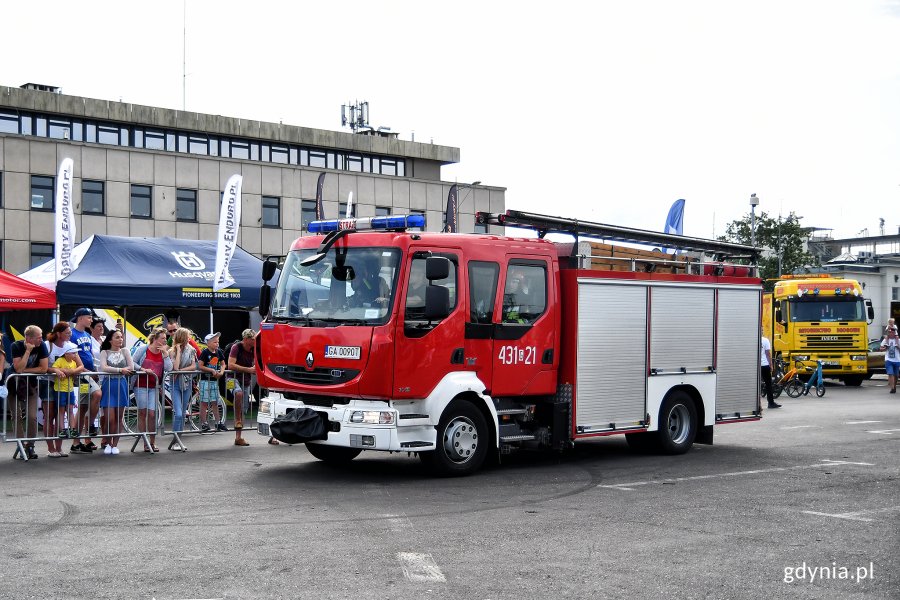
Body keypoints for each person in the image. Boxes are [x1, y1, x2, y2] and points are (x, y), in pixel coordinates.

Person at [9, 325, 49, 460]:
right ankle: (21, 445)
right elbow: (18, 368)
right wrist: (27, 352)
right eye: (39, 337)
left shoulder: (42, 345)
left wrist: (24, 371)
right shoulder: (16, 346)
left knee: (32, 416)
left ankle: (30, 446)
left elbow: (44, 368)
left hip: (30, 384)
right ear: (29, 338)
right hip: (14, 384)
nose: (41, 339)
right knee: (17, 416)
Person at [45, 322, 84, 456]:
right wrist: (57, 370)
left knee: (63, 412)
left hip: (66, 385)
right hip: (49, 384)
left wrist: (70, 372)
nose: (69, 335)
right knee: (51, 415)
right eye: (67, 333)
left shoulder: (71, 346)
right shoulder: (47, 345)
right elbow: (45, 367)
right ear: (58, 333)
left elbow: (80, 366)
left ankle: (59, 447)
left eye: (70, 333)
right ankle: (51, 448)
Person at [132, 327, 172, 452]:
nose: (165, 340)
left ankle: (152, 442)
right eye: (163, 338)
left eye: (166, 338)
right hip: (140, 385)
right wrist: (143, 370)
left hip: (154, 387)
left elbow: (169, 368)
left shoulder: (164, 352)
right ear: (155, 338)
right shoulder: (143, 349)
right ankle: (145, 443)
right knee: (143, 413)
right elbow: (132, 363)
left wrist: (165, 355)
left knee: (152, 414)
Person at [70, 308, 103, 453]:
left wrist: (95, 371)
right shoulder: (71, 334)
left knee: (83, 407)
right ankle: (90, 426)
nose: (91, 320)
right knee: (97, 394)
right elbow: (70, 354)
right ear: (80, 318)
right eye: (89, 317)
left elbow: (89, 354)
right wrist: (81, 370)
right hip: (82, 374)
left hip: (89, 373)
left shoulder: (87, 335)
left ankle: (77, 442)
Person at [98, 329, 134, 454]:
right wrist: (120, 370)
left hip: (121, 385)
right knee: (109, 418)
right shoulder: (105, 352)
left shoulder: (125, 351)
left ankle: (115, 445)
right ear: (110, 339)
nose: (120, 339)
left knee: (119, 418)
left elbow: (131, 367)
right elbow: (104, 367)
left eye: (121, 337)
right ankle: (107, 442)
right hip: (108, 385)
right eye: (117, 337)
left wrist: (122, 370)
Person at [168, 327, 198, 450]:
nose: (189, 339)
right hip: (175, 384)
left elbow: (193, 366)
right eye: (187, 337)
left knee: (182, 413)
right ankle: (176, 441)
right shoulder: (172, 351)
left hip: (187, 383)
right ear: (181, 338)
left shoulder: (191, 350)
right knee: (179, 413)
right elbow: (174, 367)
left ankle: (177, 441)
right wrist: (179, 351)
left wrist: (181, 371)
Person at [48, 342, 80, 457]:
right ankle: (62, 429)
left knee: (70, 410)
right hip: (60, 389)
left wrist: (72, 372)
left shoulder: (73, 363)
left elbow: (76, 372)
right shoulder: (60, 361)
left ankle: (72, 429)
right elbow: (54, 368)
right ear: (66, 354)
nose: (75, 355)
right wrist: (60, 371)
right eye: (73, 353)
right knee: (61, 410)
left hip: (70, 389)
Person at [227, 328, 256, 446]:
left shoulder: (254, 349)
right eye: (252, 339)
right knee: (238, 393)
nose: (254, 340)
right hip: (231, 378)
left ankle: (238, 438)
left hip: (246, 380)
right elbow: (230, 365)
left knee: (243, 410)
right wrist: (248, 369)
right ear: (246, 339)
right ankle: (237, 421)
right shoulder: (236, 347)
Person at [198, 332, 227, 433]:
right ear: (208, 343)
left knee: (215, 402)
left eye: (217, 342)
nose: (217, 344)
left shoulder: (219, 352)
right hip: (205, 381)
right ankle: (204, 423)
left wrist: (221, 372)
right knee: (204, 403)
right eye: (214, 342)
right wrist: (211, 370)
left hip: (214, 381)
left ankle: (218, 422)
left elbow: (223, 364)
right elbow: (200, 366)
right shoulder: (205, 352)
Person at [761, 333, 780, 408]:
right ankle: (771, 403)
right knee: (768, 384)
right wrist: (771, 365)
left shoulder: (752, 341)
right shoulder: (765, 340)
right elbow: (768, 354)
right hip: (764, 365)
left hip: (755, 366)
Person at [880, 325, 900, 393]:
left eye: (892, 332)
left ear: (894, 333)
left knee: (896, 375)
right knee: (890, 373)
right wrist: (884, 348)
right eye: (889, 332)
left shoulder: (898, 340)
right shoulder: (885, 340)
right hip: (888, 359)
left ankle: (894, 386)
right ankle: (892, 388)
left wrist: (898, 347)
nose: (890, 333)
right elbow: (881, 349)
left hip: (897, 360)